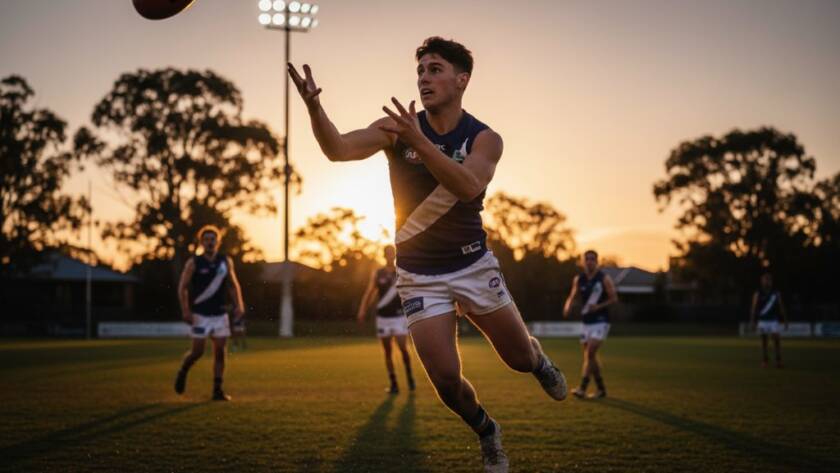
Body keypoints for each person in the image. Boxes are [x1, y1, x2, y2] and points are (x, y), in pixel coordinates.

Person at [289, 36, 567, 473]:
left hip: (474, 266)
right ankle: (487, 431)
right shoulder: (396, 129)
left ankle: (539, 361)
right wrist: (313, 109)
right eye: (420, 71)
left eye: (435, 69)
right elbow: (338, 149)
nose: (424, 78)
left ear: (462, 80)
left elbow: (468, 187)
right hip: (419, 275)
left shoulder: (485, 138)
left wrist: (419, 141)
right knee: (444, 380)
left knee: (517, 359)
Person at [174, 225, 245, 401]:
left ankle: (217, 390)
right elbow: (182, 287)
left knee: (220, 350)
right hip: (200, 315)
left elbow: (233, 285)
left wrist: (239, 305)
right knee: (197, 351)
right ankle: (184, 370)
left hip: (220, 314)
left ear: (218, 242)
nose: (210, 242)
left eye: (213, 239)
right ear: (201, 242)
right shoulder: (194, 262)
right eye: (206, 239)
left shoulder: (225, 261)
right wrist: (185, 310)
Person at [357, 244, 416, 394]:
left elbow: (410, 292)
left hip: (399, 316)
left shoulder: (401, 272)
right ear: (384, 255)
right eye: (387, 253)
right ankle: (394, 383)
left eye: (392, 253)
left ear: (395, 255)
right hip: (383, 317)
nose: (390, 255)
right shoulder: (378, 273)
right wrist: (363, 309)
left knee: (403, 348)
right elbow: (369, 292)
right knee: (388, 351)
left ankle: (410, 377)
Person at [562, 250, 618, 399]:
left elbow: (614, 298)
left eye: (592, 259)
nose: (589, 261)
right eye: (587, 259)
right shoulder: (579, 279)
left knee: (590, 353)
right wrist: (568, 306)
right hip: (586, 322)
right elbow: (573, 296)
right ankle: (601, 389)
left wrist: (598, 307)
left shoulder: (604, 278)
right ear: (583, 261)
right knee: (591, 357)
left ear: (597, 261)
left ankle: (582, 388)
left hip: (601, 321)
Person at [750, 272, 788, 368]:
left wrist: (785, 320)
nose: (767, 282)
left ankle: (778, 360)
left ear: (771, 282)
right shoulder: (758, 293)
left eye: (768, 280)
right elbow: (754, 307)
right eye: (765, 280)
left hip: (773, 320)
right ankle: (765, 361)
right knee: (764, 341)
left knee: (776, 339)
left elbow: (781, 306)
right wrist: (753, 321)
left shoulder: (775, 293)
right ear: (762, 281)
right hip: (762, 320)